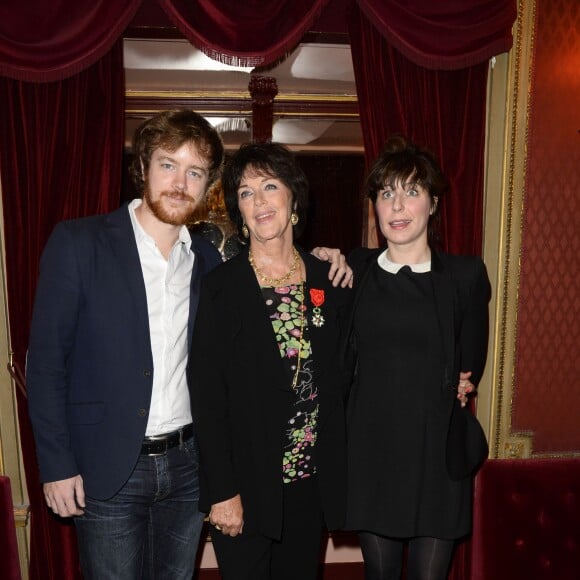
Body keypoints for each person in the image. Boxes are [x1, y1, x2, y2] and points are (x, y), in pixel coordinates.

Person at [26, 109, 350, 579]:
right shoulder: (79, 243)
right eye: (168, 165)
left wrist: (327, 254)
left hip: (185, 467)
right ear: (143, 168)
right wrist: (56, 465)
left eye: (194, 172)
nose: (180, 182)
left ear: (206, 187)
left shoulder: (205, 259)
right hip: (109, 466)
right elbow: (46, 365)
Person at [189, 142, 352, 580]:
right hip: (245, 487)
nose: (259, 201)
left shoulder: (327, 279)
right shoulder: (222, 288)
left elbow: (346, 374)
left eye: (269, 186)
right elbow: (207, 398)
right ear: (238, 212)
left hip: (308, 484)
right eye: (245, 192)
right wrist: (223, 491)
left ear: (292, 198)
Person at [344, 135, 491, 580]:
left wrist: (463, 382)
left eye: (411, 191)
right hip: (371, 453)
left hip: (437, 457)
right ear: (375, 206)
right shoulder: (354, 269)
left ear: (432, 204)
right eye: (386, 193)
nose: (398, 206)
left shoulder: (465, 276)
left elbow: (472, 361)